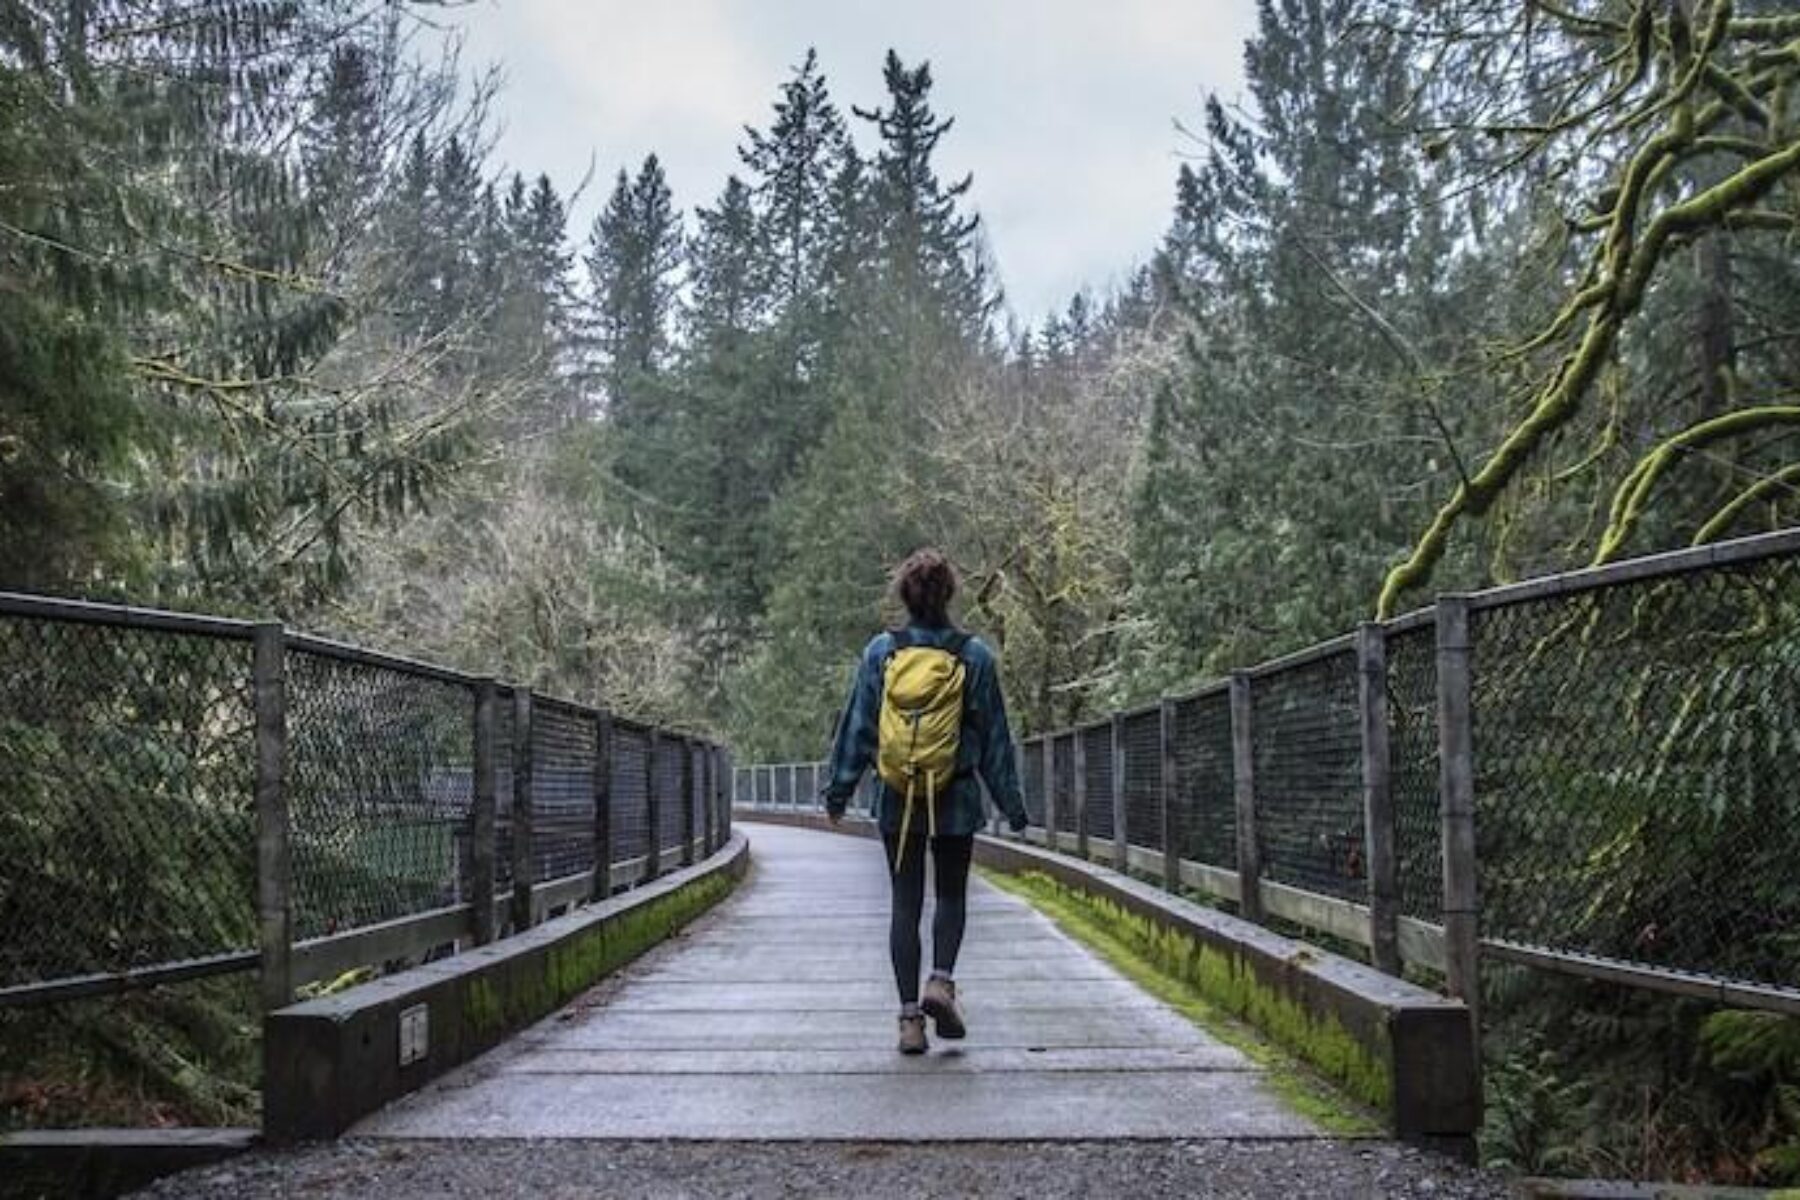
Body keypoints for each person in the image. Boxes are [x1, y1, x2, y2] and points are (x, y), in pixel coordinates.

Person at [821, 548, 1031, 1055]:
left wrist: (839, 790)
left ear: (905, 595)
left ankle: (910, 1020)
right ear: (949, 593)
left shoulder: (881, 652)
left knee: (905, 901)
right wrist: (1013, 805)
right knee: (952, 895)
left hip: (899, 794)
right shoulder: (973, 655)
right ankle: (940, 980)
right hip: (955, 795)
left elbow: (859, 725)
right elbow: (995, 738)